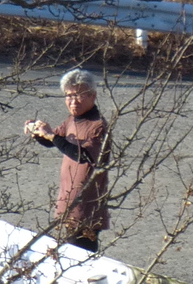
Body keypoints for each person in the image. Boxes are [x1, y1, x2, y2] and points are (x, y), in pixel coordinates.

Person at [24, 69, 111, 254]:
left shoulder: (98, 126)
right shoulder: (72, 120)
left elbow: (84, 156)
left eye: (79, 95)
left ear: (93, 96)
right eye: (69, 96)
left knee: (81, 256)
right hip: (69, 199)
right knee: (69, 255)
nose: (73, 101)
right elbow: (54, 141)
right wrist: (37, 131)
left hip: (87, 204)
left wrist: (51, 136)